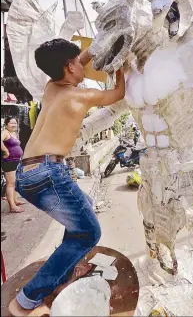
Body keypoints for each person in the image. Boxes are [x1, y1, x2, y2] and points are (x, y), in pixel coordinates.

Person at [9, 38, 125, 317]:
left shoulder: (52, 87)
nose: (83, 64)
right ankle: (26, 300)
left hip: (28, 172)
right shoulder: (79, 96)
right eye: (77, 61)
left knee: (81, 205)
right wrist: (123, 62)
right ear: (69, 67)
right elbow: (119, 93)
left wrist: (102, 42)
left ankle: (64, 272)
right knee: (89, 232)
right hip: (49, 173)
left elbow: (81, 58)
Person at [1, 116, 25, 213]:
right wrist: (6, 151)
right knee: (10, 183)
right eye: (12, 123)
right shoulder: (5, 132)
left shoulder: (13, 133)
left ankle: (15, 200)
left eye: (15, 123)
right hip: (9, 161)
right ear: (6, 124)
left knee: (14, 182)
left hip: (16, 160)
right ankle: (12, 206)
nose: (14, 124)